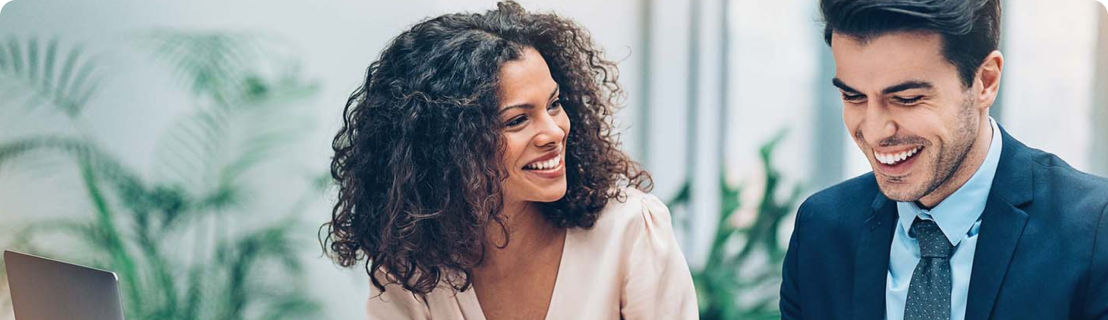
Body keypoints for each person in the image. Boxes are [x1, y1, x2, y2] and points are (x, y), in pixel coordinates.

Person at [322, 2, 698, 319]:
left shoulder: (630, 229)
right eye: (517, 120)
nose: (553, 132)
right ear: (447, 146)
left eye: (554, 104)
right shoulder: (411, 267)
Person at [781, 0, 1108, 319]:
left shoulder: (1094, 231)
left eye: (907, 99)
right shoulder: (820, 230)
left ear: (985, 82)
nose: (876, 130)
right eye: (853, 96)